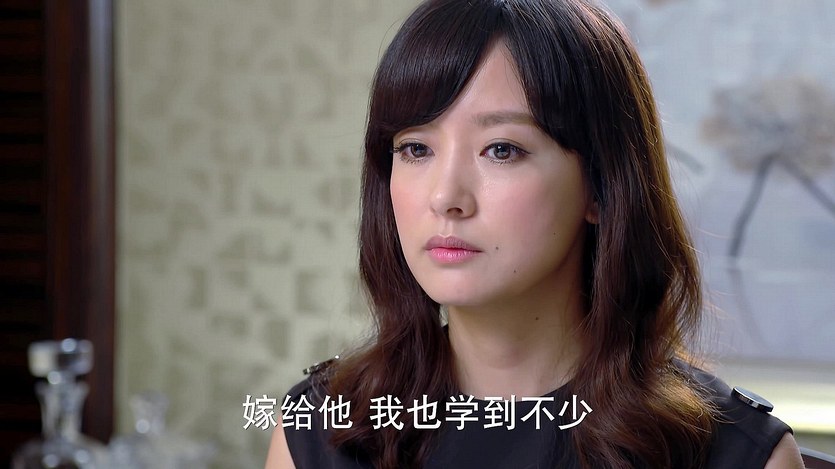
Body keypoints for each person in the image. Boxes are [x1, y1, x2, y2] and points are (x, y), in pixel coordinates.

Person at [266, 0, 805, 467]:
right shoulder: (323, 430)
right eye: (416, 149)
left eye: (501, 149)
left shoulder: (732, 452)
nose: (445, 196)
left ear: (600, 186)